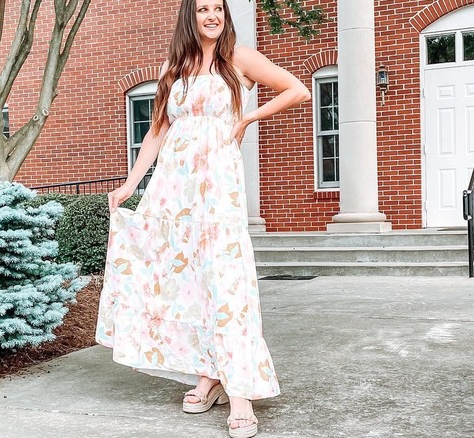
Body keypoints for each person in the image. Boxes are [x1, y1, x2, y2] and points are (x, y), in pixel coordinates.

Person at [96, 1, 310, 436]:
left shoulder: (239, 56)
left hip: (219, 192)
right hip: (174, 192)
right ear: (189, 18)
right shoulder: (173, 66)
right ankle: (207, 376)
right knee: (185, 281)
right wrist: (131, 185)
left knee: (226, 280)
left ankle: (241, 391)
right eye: (202, 9)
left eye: (218, 7)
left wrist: (250, 115)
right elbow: (156, 131)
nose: (212, 15)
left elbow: (296, 89)